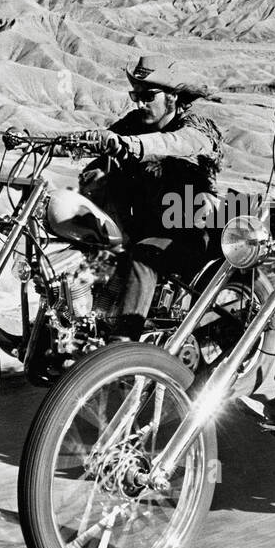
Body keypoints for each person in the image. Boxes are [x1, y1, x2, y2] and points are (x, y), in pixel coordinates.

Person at [82, 55, 224, 341]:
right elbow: (106, 142)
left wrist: (131, 145)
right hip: (141, 225)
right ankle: (58, 333)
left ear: (172, 97)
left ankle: (123, 345)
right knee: (79, 241)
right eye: (136, 95)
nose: (140, 103)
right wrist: (43, 141)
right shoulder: (134, 123)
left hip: (187, 230)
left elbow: (174, 144)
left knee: (144, 258)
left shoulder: (198, 128)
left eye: (148, 96)